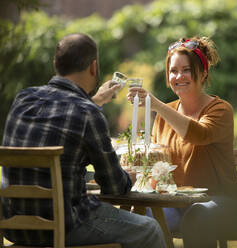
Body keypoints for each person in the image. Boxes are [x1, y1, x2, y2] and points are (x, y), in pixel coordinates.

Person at [1, 33, 166, 248]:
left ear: (55, 64)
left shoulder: (23, 98)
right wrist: (128, 178)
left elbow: (53, 158)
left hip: (14, 226)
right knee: (149, 230)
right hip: (66, 225)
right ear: (93, 67)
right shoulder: (88, 113)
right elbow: (115, 187)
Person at [128, 36, 237, 248]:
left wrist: (155, 104)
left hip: (224, 203)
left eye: (186, 70)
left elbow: (198, 135)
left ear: (203, 73)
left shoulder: (220, 110)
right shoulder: (163, 116)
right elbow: (157, 166)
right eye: (173, 71)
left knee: (197, 216)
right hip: (177, 205)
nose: (179, 76)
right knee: (137, 220)